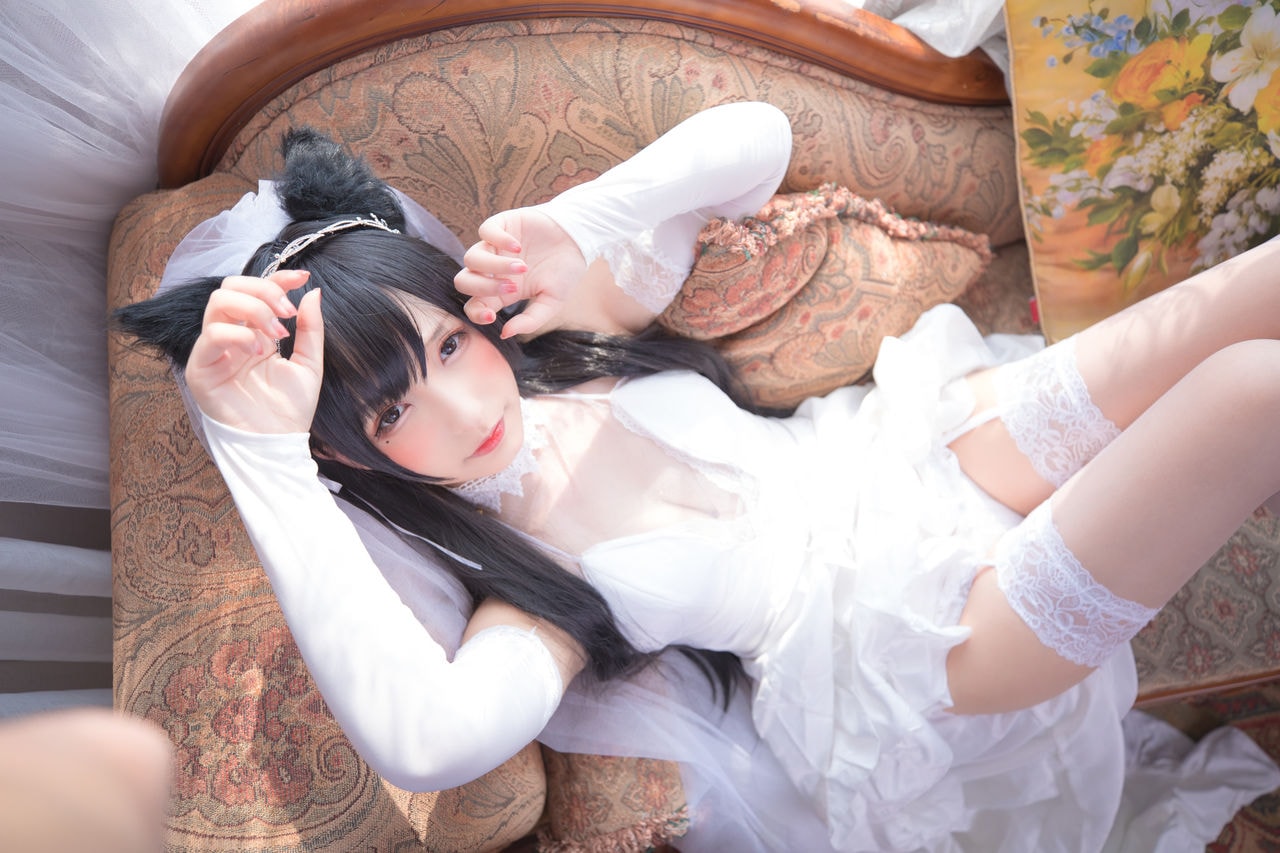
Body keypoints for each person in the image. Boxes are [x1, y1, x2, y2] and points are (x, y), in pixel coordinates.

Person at [114, 101, 1280, 852]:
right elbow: (427, 742)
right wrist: (260, 451)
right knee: (1249, 388)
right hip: (919, 650)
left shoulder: (571, 337)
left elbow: (755, 138)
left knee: (1253, 297)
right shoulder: (531, 591)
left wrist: (585, 218)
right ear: (344, 451)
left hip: (901, 451)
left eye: (452, 347)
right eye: (391, 410)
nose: (465, 408)